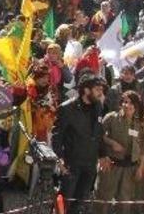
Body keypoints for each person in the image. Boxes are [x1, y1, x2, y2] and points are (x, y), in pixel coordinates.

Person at [52, 74, 107, 214]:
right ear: (86, 90)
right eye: (97, 89)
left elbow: (98, 132)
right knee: (64, 203)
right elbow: (57, 136)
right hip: (72, 163)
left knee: (80, 203)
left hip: (90, 164)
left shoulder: (98, 106)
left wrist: (103, 155)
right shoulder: (67, 108)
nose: (101, 93)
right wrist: (59, 160)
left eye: (101, 89)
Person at [94, 90, 144, 214]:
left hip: (130, 168)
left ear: (137, 105)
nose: (127, 105)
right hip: (111, 165)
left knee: (124, 202)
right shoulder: (111, 118)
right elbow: (98, 136)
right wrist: (112, 143)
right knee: (103, 198)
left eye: (131, 103)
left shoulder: (140, 123)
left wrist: (141, 167)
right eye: (125, 102)